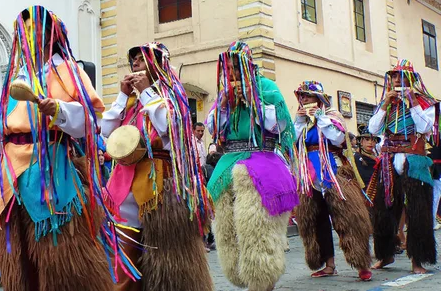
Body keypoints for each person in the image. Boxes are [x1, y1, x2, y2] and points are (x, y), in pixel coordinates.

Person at [0, 6, 135, 291]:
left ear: (49, 35)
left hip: (50, 169)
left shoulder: (68, 70)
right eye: (24, 32)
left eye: (35, 31)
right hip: (10, 174)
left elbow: (91, 120)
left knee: (61, 257)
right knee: (19, 261)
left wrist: (58, 110)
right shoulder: (16, 77)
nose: (28, 37)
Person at [102, 42, 212, 291]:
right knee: (124, 253)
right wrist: (122, 96)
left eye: (142, 59)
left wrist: (148, 93)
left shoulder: (172, 96)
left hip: (160, 184)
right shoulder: (130, 100)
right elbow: (106, 131)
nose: (135, 63)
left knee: (168, 259)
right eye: (134, 60)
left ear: (157, 64)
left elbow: (169, 129)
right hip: (124, 182)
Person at [206, 41, 298, 291]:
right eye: (229, 68)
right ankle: (240, 273)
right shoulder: (224, 93)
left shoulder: (267, 88)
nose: (232, 73)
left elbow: (278, 127)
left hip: (262, 161)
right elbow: (213, 130)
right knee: (226, 225)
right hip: (228, 163)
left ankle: (263, 280)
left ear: (248, 66)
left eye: (237, 67)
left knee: (259, 229)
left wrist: (251, 100)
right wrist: (224, 103)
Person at [294, 81, 372, 281]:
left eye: (308, 96)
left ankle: (361, 263)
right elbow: (293, 142)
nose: (303, 100)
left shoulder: (332, 116)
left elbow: (338, 139)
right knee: (316, 220)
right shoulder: (301, 121)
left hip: (333, 172)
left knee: (348, 219)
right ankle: (328, 265)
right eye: (301, 96)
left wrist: (320, 119)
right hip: (310, 177)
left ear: (318, 99)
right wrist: (300, 121)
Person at [367, 59, 438, 274]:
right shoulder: (387, 103)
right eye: (395, 76)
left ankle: (418, 260)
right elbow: (373, 128)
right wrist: (385, 105)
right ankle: (385, 255)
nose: (398, 80)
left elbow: (425, 127)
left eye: (402, 76)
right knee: (384, 210)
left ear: (412, 79)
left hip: (414, 161)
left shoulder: (426, 102)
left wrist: (413, 102)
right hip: (388, 162)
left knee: (418, 211)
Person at [354, 124, 380, 191]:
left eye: (373, 140)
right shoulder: (356, 157)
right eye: (367, 139)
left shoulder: (377, 158)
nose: (370, 142)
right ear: (361, 142)